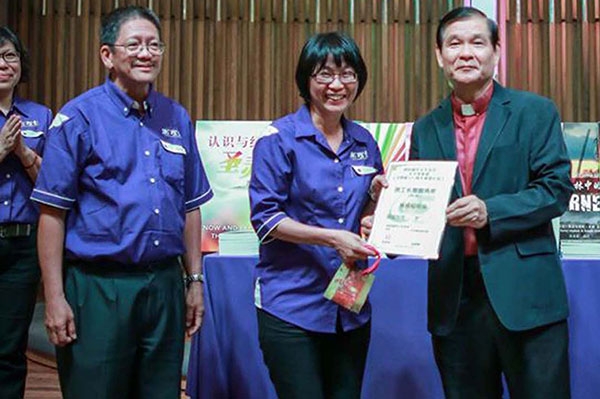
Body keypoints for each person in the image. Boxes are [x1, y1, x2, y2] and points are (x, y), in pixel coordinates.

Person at [365, 6, 574, 398]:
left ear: (496, 50)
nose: (465, 52)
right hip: (455, 301)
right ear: (439, 56)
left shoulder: (535, 112)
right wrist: (385, 222)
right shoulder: (427, 126)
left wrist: (489, 210)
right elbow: (423, 213)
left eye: (477, 42)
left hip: (525, 296)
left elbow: (556, 189)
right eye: (454, 43)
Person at [31, 6, 212, 399]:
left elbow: (191, 206)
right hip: (98, 287)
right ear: (107, 55)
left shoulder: (176, 117)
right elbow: (51, 213)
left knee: (161, 391)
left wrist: (194, 280)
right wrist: (54, 297)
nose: (146, 53)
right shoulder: (78, 118)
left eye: (154, 45)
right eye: (134, 45)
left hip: (164, 284)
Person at [249, 32, 382, 399]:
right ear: (306, 80)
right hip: (291, 305)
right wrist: (331, 238)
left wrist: (375, 206)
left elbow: (365, 215)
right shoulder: (278, 139)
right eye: (325, 74)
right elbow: (265, 219)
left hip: (350, 306)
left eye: (348, 74)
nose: (337, 84)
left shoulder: (365, 142)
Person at [0, 26, 51, 399]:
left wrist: (22, 152)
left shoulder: (40, 116)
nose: (4, 64)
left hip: (23, 246)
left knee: (10, 346)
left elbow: (52, 184)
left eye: (10, 56)